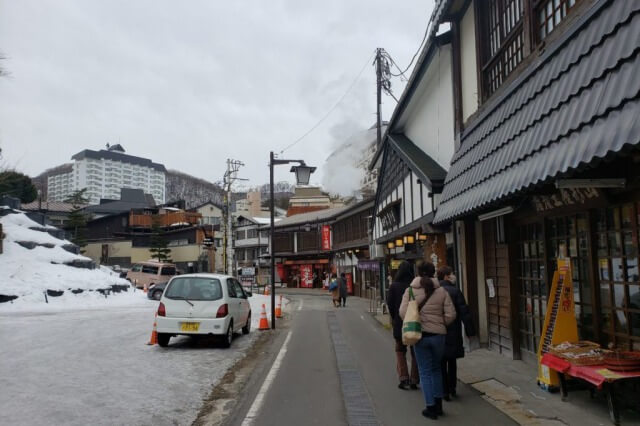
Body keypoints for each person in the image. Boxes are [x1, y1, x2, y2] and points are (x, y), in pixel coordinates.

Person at [400, 261, 456, 420]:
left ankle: (430, 407)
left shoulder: (410, 291)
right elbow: (451, 314)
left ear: (418, 273)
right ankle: (439, 405)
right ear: (433, 273)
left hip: (420, 336)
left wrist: (416, 322)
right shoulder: (442, 291)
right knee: (437, 369)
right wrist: (440, 323)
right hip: (438, 336)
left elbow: (402, 312)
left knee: (424, 371)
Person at [437, 266, 475, 401]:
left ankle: (443, 391)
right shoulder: (455, 291)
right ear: (447, 276)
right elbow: (465, 312)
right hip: (453, 330)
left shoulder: (435, 291)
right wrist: (471, 331)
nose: (453, 276)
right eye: (452, 274)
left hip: (438, 331)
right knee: (452, 361)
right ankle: (452, 388)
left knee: (441, 362)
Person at [386, 261, 419, 390]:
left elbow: (390, 304)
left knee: (400, 351)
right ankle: (415, 379)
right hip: (414, 322)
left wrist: (395, 318)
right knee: (415, 351)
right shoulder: (414, 286)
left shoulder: (394, 286)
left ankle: (404, 377)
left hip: (399, 323)